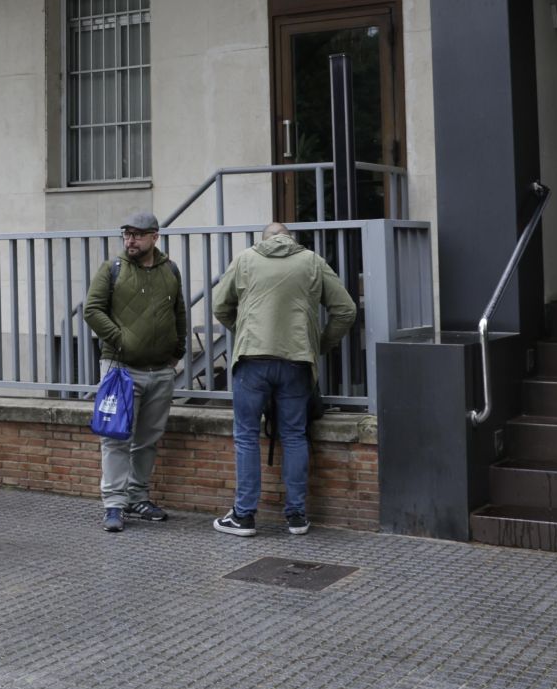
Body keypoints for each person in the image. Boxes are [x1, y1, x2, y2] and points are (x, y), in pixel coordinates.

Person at [209, 222, 357, 538]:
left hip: (252, 362)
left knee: (246, 435)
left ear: (265, 240)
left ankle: (244, 517)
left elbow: (219, 306)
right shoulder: (312, 261)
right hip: (296, 363)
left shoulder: (246, 259)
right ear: (290, 239)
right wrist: (317, 345)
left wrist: (246, 331)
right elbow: (345, 310)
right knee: (294, 434)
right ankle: (296, 517)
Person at [83, 210, 187, 532]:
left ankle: (138, 496)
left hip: (160, 371)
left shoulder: (170, 269)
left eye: (137, 234)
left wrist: (177, 352)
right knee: (115, 438)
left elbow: (178, 312)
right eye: (127, 234)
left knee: (148, 439)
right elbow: (92, 310)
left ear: (155, 237)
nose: (130, 240)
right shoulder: (112, 269)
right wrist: (120, 339)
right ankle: (114, 504)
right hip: (120, 370)